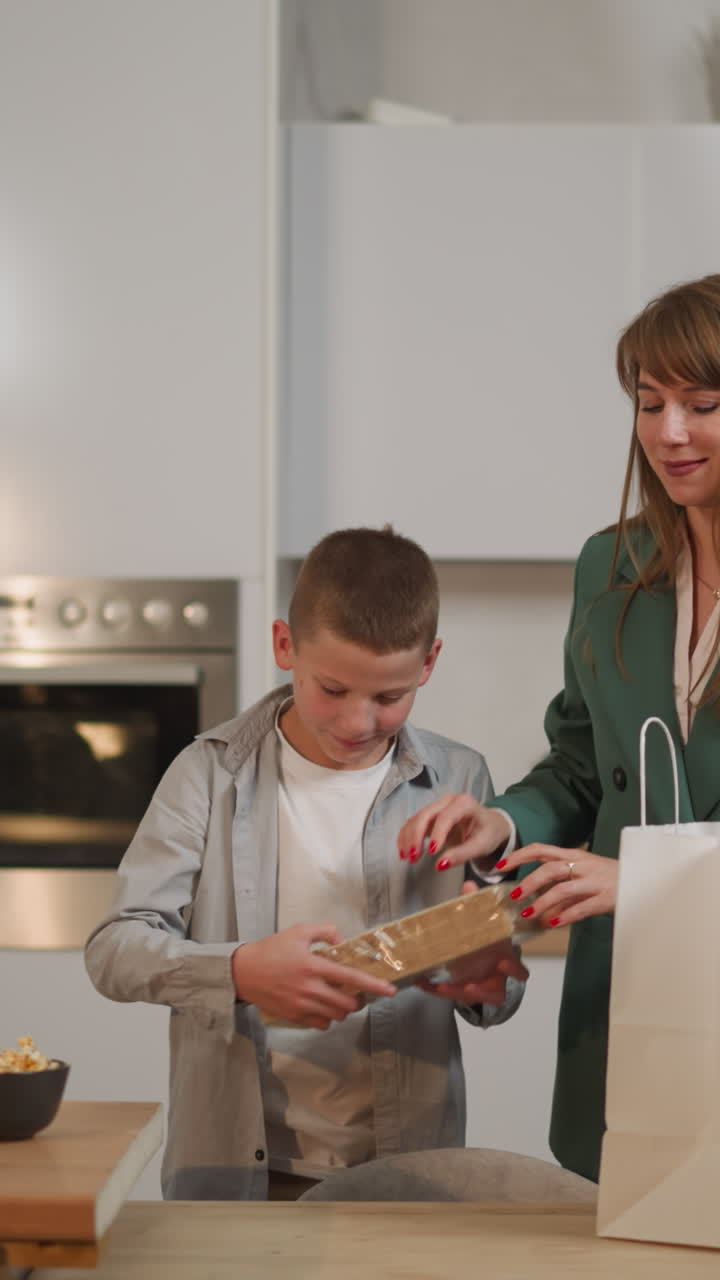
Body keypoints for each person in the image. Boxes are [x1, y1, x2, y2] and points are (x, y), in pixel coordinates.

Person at [85, 525, 527, 1200]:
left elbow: (498, 979)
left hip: (407, 1174)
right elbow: (113, 951)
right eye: (333, 689)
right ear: (284, 645)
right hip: (235, 1172)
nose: (358, 722)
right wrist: (237, 971)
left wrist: (488, 980)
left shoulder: (460, 776)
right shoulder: (207, 774)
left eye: (389, 697)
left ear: (430, 661)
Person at [396, 272, 720, 1184]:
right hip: (626, 994)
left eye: (702, 403)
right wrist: (505, 822)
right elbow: (584, 759)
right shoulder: (610, 567)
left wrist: (649, 879)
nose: (669, 433)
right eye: (650, 403)